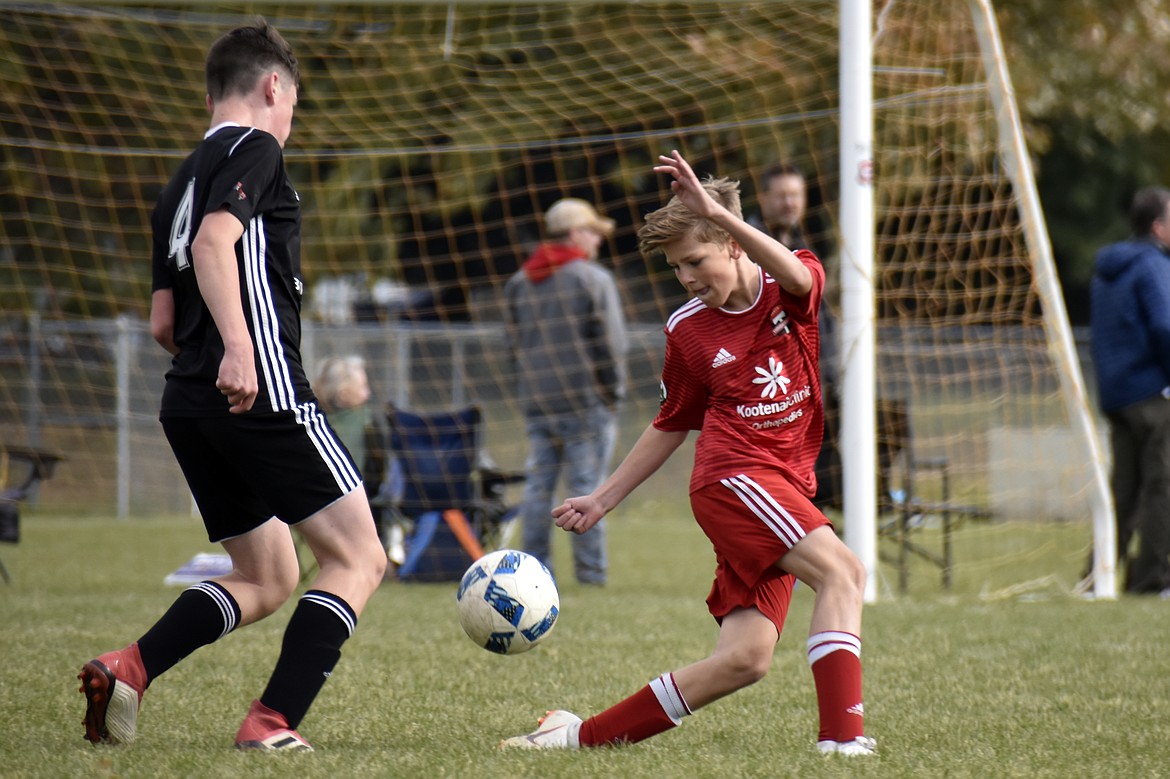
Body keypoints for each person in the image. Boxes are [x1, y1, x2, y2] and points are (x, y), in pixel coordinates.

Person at [77, 19, 386, 751]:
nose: (289, 122)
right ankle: (272, 720)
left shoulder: (177, 182)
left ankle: (131, 666)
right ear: (273, 86)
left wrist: (215, 351)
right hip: (259, 388)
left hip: (187, 400)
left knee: (269, 575)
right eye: (293, 105)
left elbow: (162, 321)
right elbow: (218, 242)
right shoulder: (258, 147)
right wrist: (243, 348)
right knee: (359, 557)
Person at [501, 151, 874, 756]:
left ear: (731, 243)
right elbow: (672, 423)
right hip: (734, 479)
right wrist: (602, 498)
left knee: (744, 660)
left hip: (783, 485)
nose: (689, 278)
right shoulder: (687, 328)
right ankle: (844, 743)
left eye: (695, 260)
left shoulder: (789, 284)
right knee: (845, 572)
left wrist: (720, 216)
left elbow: (804, 281)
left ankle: (576, 736)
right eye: (677, 268)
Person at [504, 197, 628, 586]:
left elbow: (512, 346)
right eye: (594, 231)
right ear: (576, 233)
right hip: (586, 403)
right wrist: (614, 393)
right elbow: (611, 345)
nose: (598, 240)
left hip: (537, 403)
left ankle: (533, 570)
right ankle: (591, 574)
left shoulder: (519, 282)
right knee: (588, 490)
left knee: (538, 491)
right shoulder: (593, 279)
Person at [1089, 185, 1170, 596]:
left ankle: (1097, 575)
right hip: (1153, 394)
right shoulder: (1153, 265)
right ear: (1158, 226)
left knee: (1123, 490)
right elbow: (1165, 326)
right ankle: (1151, 579)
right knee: (1162, 485)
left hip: (1116, 394)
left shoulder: (1108, 270)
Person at [748, 163, 842, 509]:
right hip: (770, 387)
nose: (790, 203)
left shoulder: (804, 244)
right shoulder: (745, 247)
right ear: (763, 198)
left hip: (811, 386)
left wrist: (830, 373)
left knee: (808, 483)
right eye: (782, 195)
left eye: (796, 195)